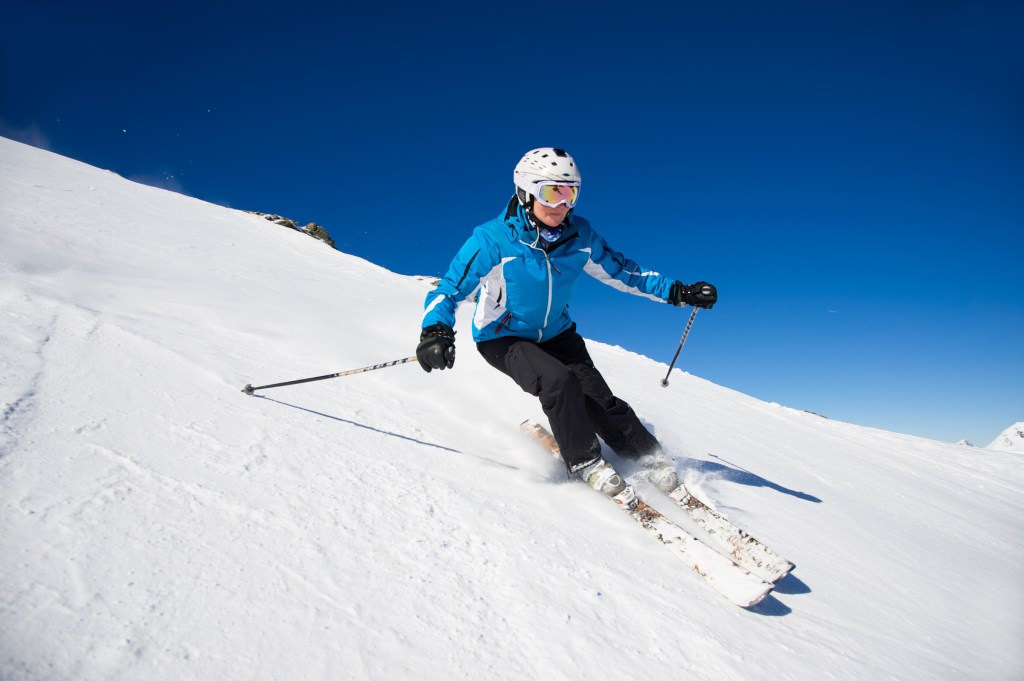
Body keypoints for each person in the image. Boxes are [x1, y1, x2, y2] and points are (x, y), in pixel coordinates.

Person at [416, 147, 717, 500]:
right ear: (526, 192)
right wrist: (435, 330)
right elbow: (449, 289)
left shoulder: (580, 237)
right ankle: (586, 462)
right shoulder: (493, 239)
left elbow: (624, 272)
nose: (563, 206)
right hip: (503, 336)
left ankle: (647, 458)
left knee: (598, 398)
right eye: (552, 193)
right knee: (559, 383)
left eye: (570, 193)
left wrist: (678, 292)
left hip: (558, 334)